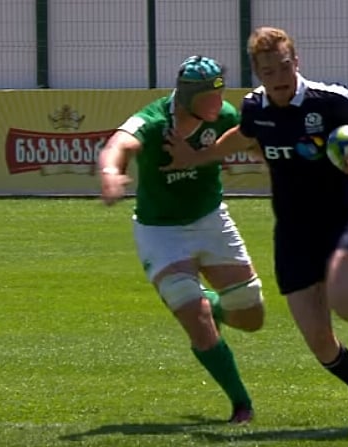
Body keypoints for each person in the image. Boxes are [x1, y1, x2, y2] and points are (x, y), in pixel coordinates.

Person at [163, 27, 348, 426]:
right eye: (268, 71)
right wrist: (196, 156)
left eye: (284, 66)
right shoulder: (256, 108)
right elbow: (243, 136)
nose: (279, 76)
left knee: (343, 297)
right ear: (257, 72)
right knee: (319, 342)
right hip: (292, 233)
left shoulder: (328, 99)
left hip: (340, 219)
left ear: (296, 62)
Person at [98, 55, 265, 424]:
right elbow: (117, 145)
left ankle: (214, 303)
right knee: (197, 320)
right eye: (207, 94)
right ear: (187, 95)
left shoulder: (225, 116)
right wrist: (111, 173)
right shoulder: (154, 119)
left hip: (211, 221)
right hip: (161, 232)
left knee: (252, 317)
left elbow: (260, 147)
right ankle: (241, 405)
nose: (215, 101)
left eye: (219, 91)